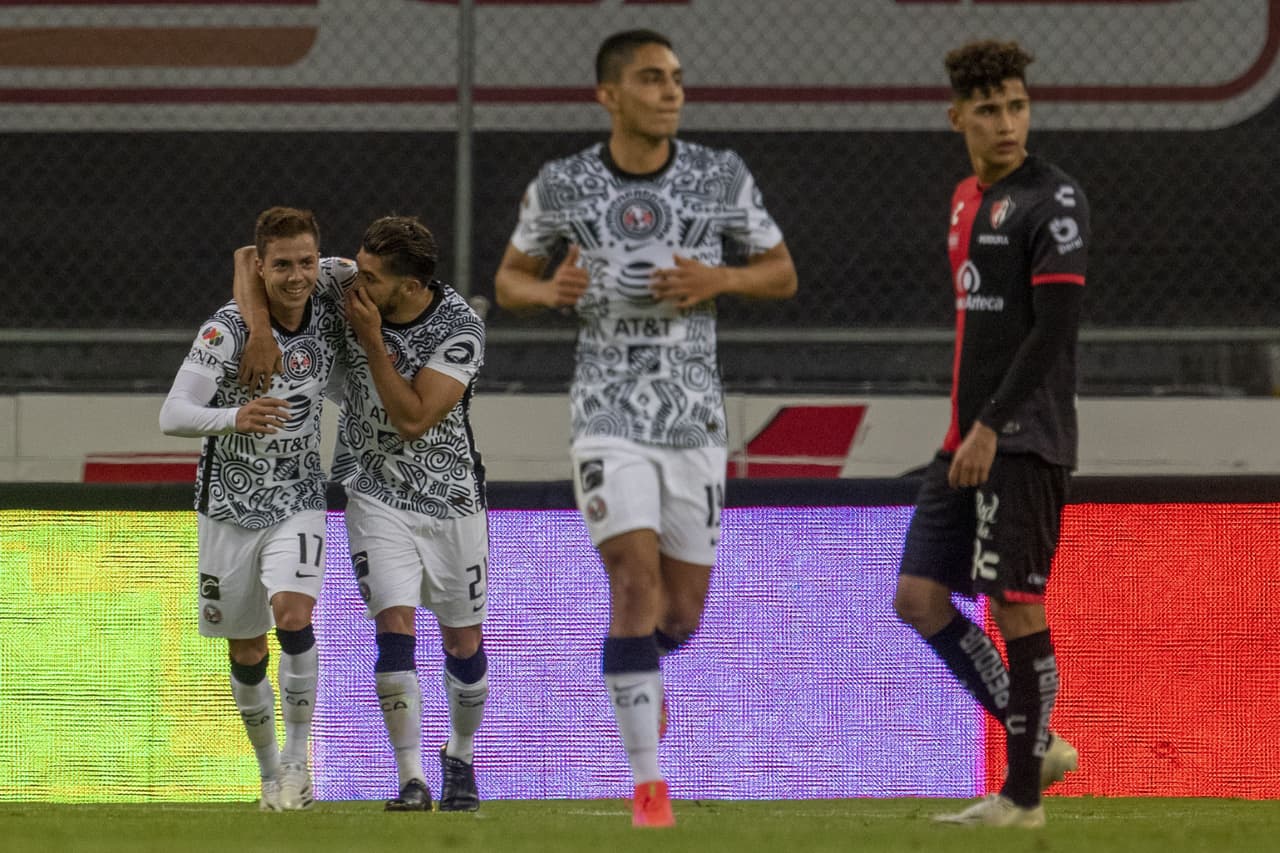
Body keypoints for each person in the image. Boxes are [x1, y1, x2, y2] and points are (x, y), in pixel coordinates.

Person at [494, 29, 797, 828]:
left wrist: (720, 276)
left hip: (693, 416)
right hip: (606, 413)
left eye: (677, 80)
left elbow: (783, 271)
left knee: (680, 614)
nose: (672, 92)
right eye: (653, 79)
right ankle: (648, 786)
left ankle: (640, 678)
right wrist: (552, 290)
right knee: (632, 581)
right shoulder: (563, 184)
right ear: (609, 95)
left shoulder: (718, 174)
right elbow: (507, 280)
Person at [891, 40, 1087, 828]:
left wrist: (990, 426)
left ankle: (1023, 799)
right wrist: (965, 433)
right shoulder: (965, 198)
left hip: (1022, 439)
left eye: (1017, 106)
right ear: (958, 117)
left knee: (1017, 605)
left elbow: (1054, 330)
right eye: (989, 110)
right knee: (918, 597)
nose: (1007, 123)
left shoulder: (1056, 201)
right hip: (963, 441)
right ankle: (1036, 744)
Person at [237, 215, 490, 813]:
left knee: (462, 640)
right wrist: (258, 332)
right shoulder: (348, 282)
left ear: (407, 286)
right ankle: (411, 779)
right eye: (357, 267)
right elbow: (250, 256)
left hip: (452, 500)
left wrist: (373, 343)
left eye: (371, 277)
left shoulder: (460, 330)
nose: (354, 287)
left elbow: (413, 418)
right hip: (375, 493)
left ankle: (459, 758)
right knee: (393, 626)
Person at [160, 206, 349, 811]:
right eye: (283, 265)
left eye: (306, 262)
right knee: (245, 648)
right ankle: (270, 774)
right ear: (263, 267)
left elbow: (384, 272)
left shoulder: (330, 290)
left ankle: (299, 763)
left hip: (298, 495)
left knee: (293, 614)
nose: (298, 276)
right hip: (227, 505)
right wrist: (233, 416)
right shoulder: (226, 331)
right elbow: (172, 415)